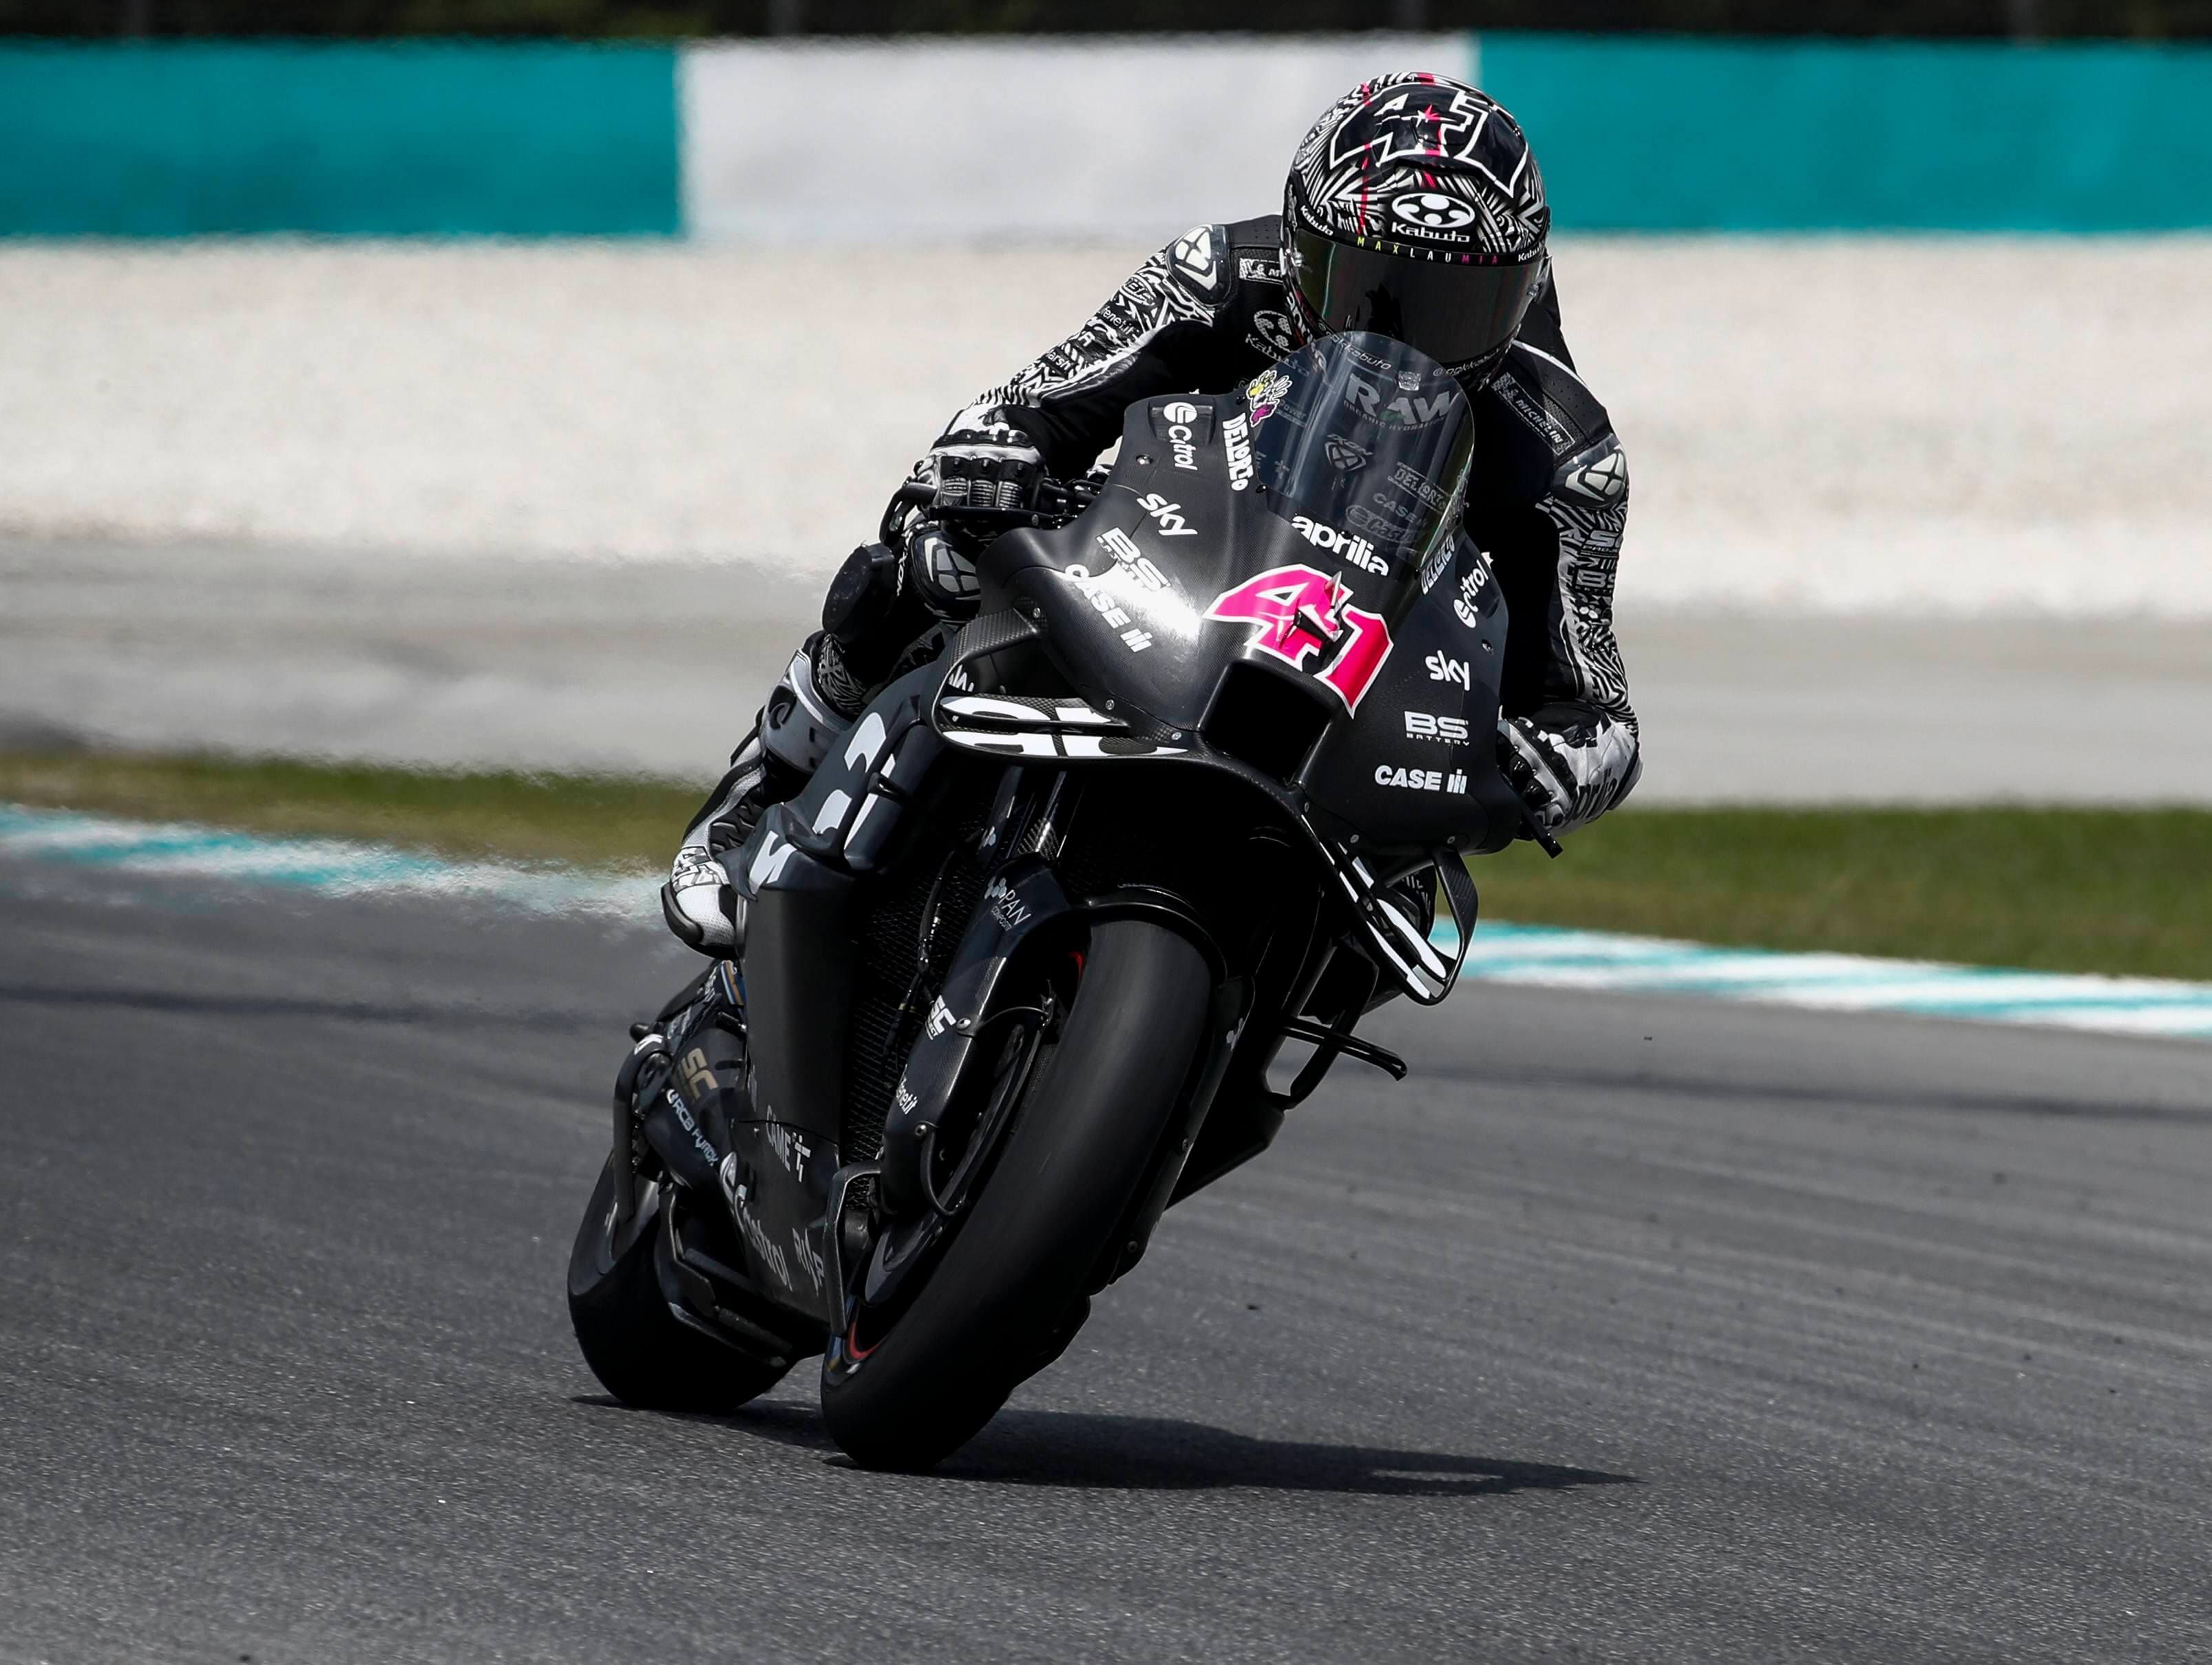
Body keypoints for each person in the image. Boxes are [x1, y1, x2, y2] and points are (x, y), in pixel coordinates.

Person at [664, 71, 1640, 956]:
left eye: (1457, 307)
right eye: (1374, 293)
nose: (1410, 338)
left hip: (1357, 692)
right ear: (1300, 247)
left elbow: (1597, 704)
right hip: (1162, 571)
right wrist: (988, 465)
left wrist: (1561, 760)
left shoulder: (1565, 451)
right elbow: (1030, 405)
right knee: (929, 554)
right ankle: (768, 784)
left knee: (1407, 902)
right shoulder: (1217, 276)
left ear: (1522, 291)